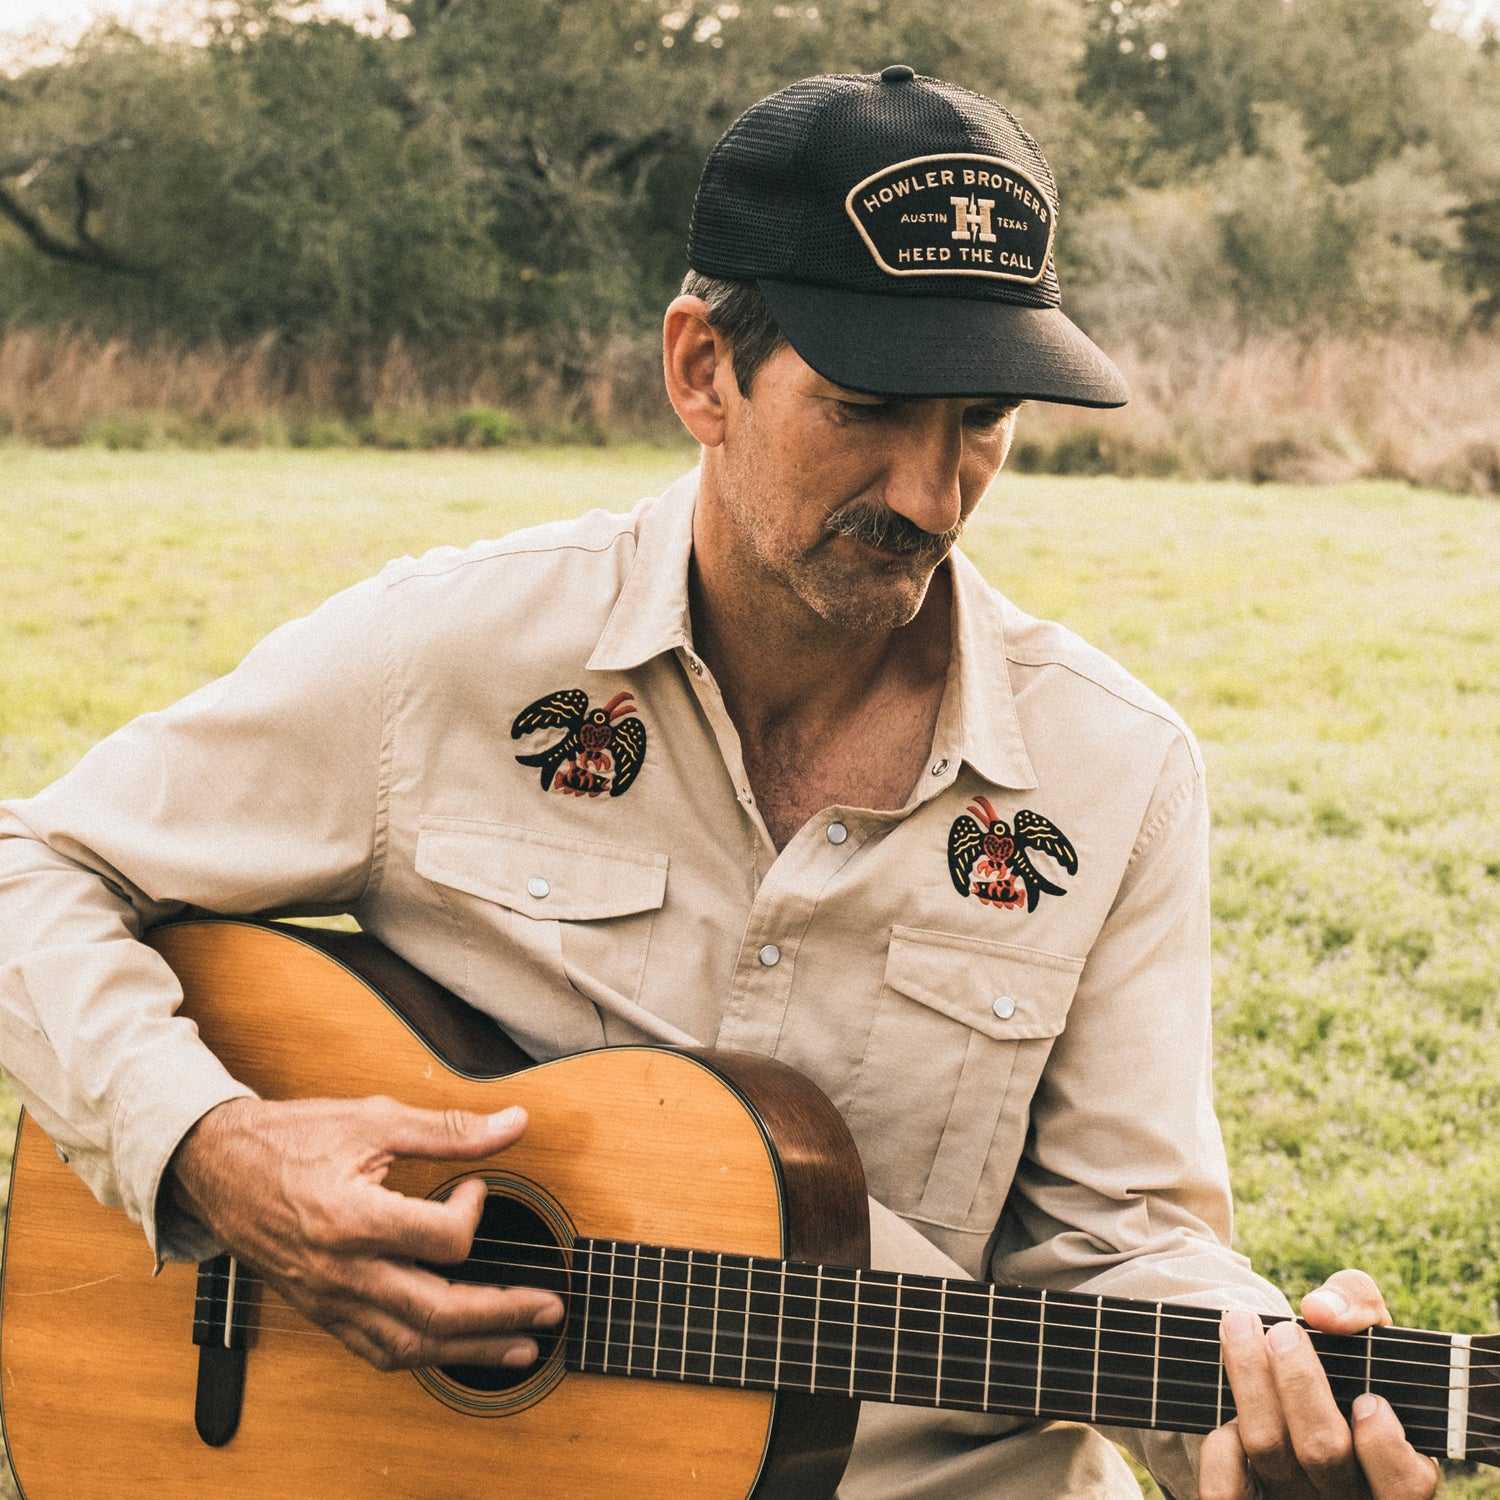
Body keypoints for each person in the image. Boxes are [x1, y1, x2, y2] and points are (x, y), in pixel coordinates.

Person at [0, 69, 1440, 1500]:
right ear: (703, 370)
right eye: (870, 407)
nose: (934, 496)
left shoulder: (1115, 774)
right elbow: (31, 871)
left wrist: (1246, 1422)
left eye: (984, 422)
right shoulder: (449, 656)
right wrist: (210, 1149)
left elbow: (1123, 1240)